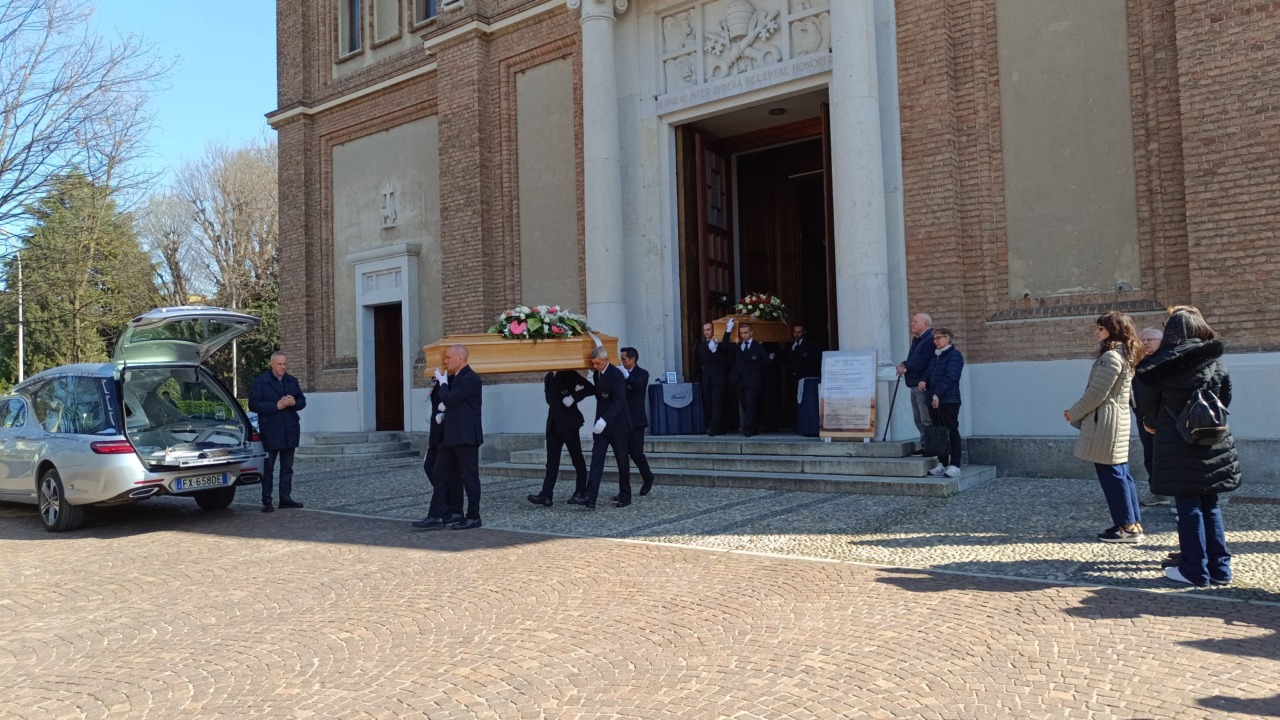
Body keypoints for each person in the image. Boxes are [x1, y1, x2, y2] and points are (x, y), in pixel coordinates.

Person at [1135, 306, 1240, 586]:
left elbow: (1147, 406)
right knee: (1210, 504)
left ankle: (1194, 570)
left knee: (1188, 505)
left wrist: (1153, 424)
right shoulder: (1216, 361)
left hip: (1177, 442)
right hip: (1212, 440)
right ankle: (1220, 569)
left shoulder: (1161, 364)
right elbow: (1224, 400)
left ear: (1171, 331)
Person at [1064, 311, 1145, 544]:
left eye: (1100, 328)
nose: (1097, 333)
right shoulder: (1126, 354)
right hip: (1115, 420)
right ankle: (1132, 523)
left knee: (1113, 476)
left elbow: (1096, 394)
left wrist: (1073, 413)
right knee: (1121, 473)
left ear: (1113, 330)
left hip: (1106, 422)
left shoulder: (1111, 357)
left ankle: (1127, 528)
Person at [414, 344, 484, 530]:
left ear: (461, 358)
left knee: (470, 478)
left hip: (466, 437)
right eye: (445, 358)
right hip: (450, 435)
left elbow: (451, 399)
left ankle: (473, 516)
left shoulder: (471, 379)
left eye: (449, 357)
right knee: (439, 473)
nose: (446, 361)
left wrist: (443, 384)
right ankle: (436, 515)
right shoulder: (456, 378)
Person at [248, 352, 307, 513]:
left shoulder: (292, 381)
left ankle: (285, 498)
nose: (283, 367)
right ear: (272, 364)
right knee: (268, 469)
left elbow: (302, 401)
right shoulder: (261, 382)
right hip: (271, 431)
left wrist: (294, 402)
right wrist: (275, 406)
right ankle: (267, 500)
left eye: (285, 364)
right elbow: (253, 404)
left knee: (287, 467)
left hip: (290, 430)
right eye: (280, 364)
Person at [527, 370, 593, 507]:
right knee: (552, 461)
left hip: (569, 424)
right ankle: (546, 495)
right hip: (553, 424)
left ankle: (580, 491)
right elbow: (549, 399)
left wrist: (573, 397)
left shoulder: (569, 373)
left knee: (577, 459)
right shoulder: (548, 377)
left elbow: (590, 388)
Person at [579, 346, 631, 509]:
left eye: (598, 363)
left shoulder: (616, 375)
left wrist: (604, 420)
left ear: (606, 360)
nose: (595, 367)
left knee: (622, 461)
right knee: (596, 460)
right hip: (601, 426)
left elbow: (619, 401)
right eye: (593, 364)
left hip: (619, 425)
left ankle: (625, 494)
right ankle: (591, 497)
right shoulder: (597, 374)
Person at [919, 327, 963, 478]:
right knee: (939, 432)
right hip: (933, 400)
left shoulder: (955, 355)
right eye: (934, 338)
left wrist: (937, 395)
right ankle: (942, 463)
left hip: (949, 400)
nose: (935, 341)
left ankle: (955, 464)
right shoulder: (935, 355)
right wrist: (923, 381)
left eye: (938, 338)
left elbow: (951, 376)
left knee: (952, 431)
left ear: (947, 338)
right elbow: (929, 373)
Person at [420, 371, 463, 524]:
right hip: (435, 433)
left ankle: (453, 509)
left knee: (450, 472)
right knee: (430, 467)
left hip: (448, 432)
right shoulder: (438, 381)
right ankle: (448, 504)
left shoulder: (453, 379)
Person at [1135, 326, 1169, 507]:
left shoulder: (1164, 361)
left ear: (1161, 342)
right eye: (1143, 340)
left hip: (1163, 418)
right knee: (1149, 455)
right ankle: (1158, 492)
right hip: (1143, 417)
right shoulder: (1139, 362)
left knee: (1166, 456)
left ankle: (1174, 494)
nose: (1146, 343)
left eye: (1150, 339)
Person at [896, 313, 935, 456]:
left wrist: (906, 368)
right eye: (912, 321)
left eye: (915, 322)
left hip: (922, 385)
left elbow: (924, 362)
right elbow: (914, 360)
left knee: (926, 418)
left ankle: (932, 447)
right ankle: (925, 445)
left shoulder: (929, 339)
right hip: (913, 384)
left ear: (925, 324)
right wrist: (904, 363)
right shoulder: (917, 340)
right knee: (918, 418)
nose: (911, 324)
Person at [620, 347, 656, 497]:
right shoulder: (620, 374)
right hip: (622, 420)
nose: (621, 361)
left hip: (636, 420)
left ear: (632, 359)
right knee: (622, 456)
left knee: (636, 453)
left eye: (624, 359)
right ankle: (624, 490)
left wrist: (626, 375)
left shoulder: (642, 373)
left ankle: (648, 477)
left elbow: (638, 384)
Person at [729, 321, 772, 437]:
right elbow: (725, 347)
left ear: (751, 332)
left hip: (753, 381)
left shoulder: (758, 346)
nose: (743, 335)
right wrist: (728, 330)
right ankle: (754, 426)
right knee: (745, 404)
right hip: (740, 380)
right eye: (741, 333)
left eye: (746, 333)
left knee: (751, 403)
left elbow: (766, 362)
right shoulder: (738, 346)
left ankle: (748, 428)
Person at [781, 322, 824, 428]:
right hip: (792, 378)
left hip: (805, 378)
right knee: (792, 400)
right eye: (795, 332)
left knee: (805, 401)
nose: (797, 334)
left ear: (804, 332)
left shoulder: (810, 345)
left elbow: (815, 361)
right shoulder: (791, 345)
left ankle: (804, 424)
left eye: (799, 332)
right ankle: (793, 422)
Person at [696, 321, 733, 436]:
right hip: (707, 379)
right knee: (708, 403)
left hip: (719, 378)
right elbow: (701, 362)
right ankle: (713, 426)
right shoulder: (701, 346)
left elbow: (725, 361)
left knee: (717, 402)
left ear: (713, 330)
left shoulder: (721, 344)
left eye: (708, 329)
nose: (706, 332)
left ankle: (715, 428)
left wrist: (715, 351)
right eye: (704, 330)